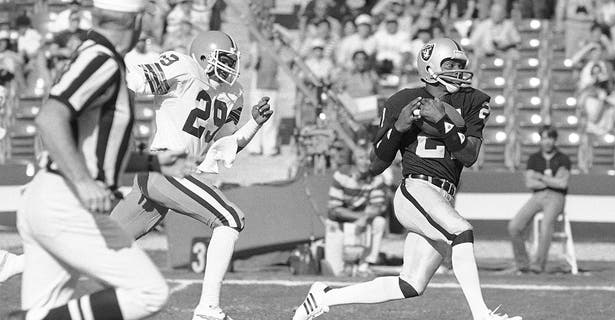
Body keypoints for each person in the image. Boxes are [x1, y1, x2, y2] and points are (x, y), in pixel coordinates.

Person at [292, 38, 521, 320]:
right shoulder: (402, 100)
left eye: (461, 65)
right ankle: (481, 315)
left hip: (443, 196)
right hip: (416, 188)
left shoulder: (474, 100)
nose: (459, 70)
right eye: (450, 64)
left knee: (410, 284)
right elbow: (376, 164)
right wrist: (399, 127)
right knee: (461, 231)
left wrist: (444, 123)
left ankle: (323, 297)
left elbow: (469, 155)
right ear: (429, 67)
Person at [6, 1, 198, 319]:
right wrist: (83, 181)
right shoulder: (102, 59)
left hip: (51, 198)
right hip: (65, 202)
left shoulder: (98, 56)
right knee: (149, 292)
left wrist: (153, 164)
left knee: (48, 309)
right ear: (134, 22)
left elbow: (95, 148)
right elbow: (50, 118)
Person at [110, 30, 273, 320]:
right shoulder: (184, 66)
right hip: (165, 165)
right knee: (230, 219)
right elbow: (134, 79)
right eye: (225, 59)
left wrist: (255, 125)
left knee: (100, 244)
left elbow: (227, 144)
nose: (231, 66)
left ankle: (10, 264)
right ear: (203, 56)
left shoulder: (233, 93)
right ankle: (208, 309)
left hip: (166, 175)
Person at [507, 125, 571, 274]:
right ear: (540, 140)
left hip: (556, 196)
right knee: (514, 226)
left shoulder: (563, 159)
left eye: (550, 138)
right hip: (537, 195)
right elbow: (529, 182)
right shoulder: (534, 158)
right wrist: (551, 180)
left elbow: (562, 183)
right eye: (544, 138)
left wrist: (540, 176)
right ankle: (522, 263)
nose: (547, 141)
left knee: (546, 226)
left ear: (555, 140)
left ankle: (538, 264)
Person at [324, 146, 387, 276]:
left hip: (362, 222)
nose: (364, 162)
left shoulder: (377, 178)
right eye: (361, 158)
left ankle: (364, 265)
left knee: (379, 222)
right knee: (335, 272)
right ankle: (347, 265)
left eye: (368, 158)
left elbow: (378, 206)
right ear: (353, 160)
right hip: (338, 224)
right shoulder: (341, 175)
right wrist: (360, 216)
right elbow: (335, 209)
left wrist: (364, 217)